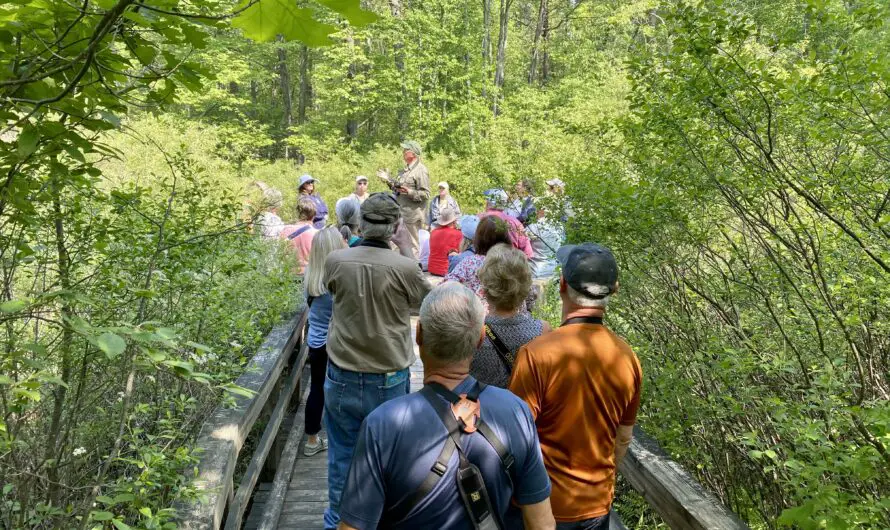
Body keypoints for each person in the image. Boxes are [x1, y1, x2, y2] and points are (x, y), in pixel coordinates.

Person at [337, 282, 556, 530]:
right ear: (480, 339)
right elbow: (542, 524)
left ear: (419, 334)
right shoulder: (516, 411)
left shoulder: (382, 425)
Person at [509, 243, 642, 529]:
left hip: (542, 507)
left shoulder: (536, 354)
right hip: (596, 504)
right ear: (614, 289)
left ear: (562, 285)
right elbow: (623, 437)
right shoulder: (627, 357)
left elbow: (515, 438)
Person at [323, 192, 433, 529]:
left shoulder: (336, 261)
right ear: (396, 226)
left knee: (342, 458)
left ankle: (338, 523)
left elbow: (332, 294)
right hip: (389, 379)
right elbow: (427, 304)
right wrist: (407, 250)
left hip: (341, 375)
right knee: (392, 462)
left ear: (359, 222)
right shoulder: (405, 267)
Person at [472, 244, 551, 388]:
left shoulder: (471, 331)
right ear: (525, 285)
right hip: (522, 409)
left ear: (486, 285)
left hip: (480, 408)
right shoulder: (542, 331)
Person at [302, 228, 345, 456]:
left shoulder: (311, 276)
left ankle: (311, 440)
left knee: (316, 388)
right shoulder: (338, 279)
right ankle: (339, 436)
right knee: (340, 389)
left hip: (316, 343)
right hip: (339, 342)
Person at [376, 140, 430, 258]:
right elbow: (398, 188)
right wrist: (388, 180)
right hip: (400, 213)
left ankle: (412, 272)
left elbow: (426, 194)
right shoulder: (405, 170)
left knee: (413, 247)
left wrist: (409, 192)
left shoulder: (421, 170)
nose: (403, 152)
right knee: (395, 243)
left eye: (406, 150)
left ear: (413, 153)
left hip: (412, 215)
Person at [444, 216, 511, 310]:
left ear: (478, 238)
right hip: (507, 316)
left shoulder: (469, 262)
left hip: (474, 318)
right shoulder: (514, 261)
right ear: (506, 237)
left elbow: (444, 289)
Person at [479, 189, 533, 258]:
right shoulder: (515, 223)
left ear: (488, 202)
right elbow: (528, 253)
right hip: (510, 265)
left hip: (484, 265)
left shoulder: (478, 219)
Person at [278, 198, 319, 274]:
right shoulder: (317, 234)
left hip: (288, 276)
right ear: (314, 215)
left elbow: (280, 255)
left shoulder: (285, 230)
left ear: (297, 214)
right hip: (309, 276)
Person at [525, 203, 565, 279]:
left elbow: (522, 246)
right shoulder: (559, 226)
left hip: (536, 270)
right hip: (554, 269)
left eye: (536, 210)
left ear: (540, 211)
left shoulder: (533, 227)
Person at [427, 208, 463, 276]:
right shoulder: (458, 234)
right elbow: (461, 252)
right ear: (454, 221)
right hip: (447, 270)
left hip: (432, 269)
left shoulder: (433, 232)